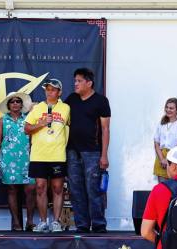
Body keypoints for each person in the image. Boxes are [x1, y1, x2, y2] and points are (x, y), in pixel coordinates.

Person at [64, 68, 112, 233]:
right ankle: (82, 225)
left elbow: (105, 129)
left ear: (89, 83)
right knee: (76, 190)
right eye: (75, 81)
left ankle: (98, 224)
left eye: (79, 81)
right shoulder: (71, 99)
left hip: (92, 152)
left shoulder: (101, 101)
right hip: (72, 152)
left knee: (94, 189)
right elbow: (59, 116)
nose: (75, 84)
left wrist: (104, 155)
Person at [24, 79, 71, 233]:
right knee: (40, 188)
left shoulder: (66, 108)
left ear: (59, 92)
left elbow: (70, 128)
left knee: (58, 188)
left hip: (58, 154)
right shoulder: (37, 108)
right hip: (39, 155)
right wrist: (41, 123)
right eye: (47, 89)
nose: (49, 92)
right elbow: (26, 128)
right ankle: (43, 221)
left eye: (53, 89)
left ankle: (56, 222)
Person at [0, 92, 36, 231]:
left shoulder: (29, 119)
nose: (16, 103)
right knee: (12, 190)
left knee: (30, 189)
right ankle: (16, 223)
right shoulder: (2, 120)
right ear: (8, 105)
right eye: (12, 101)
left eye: (18, 101)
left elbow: (33, 139)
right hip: (7, 158)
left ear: (22, 105)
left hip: (27, 158)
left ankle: (30, 222)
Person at [153, 98, 177, 182]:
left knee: (174, 188)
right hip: (161, 157)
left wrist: (169, 160)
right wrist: (162, 159)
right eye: (167, 107)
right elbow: (156, 143)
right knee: (162, 188)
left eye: (171, 108)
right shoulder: (161, 123)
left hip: (175, 157)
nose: (168, 110)